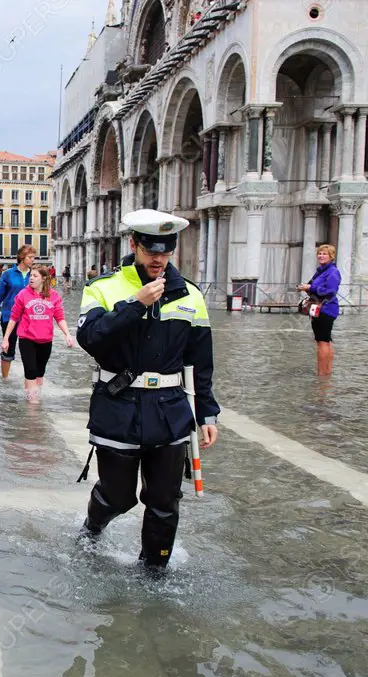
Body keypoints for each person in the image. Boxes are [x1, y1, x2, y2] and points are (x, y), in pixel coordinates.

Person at [76, 208, 219, 574]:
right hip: (118, 406)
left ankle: (154, 575)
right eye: (151, 249)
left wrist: (207, 413)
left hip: (170, 411)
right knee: (118, 497)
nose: (158, 258)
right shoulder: (103, 288)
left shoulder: (190, 295)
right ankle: (93, 526)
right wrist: (136, 304)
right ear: (134, 244)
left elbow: (200, 361)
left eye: (166, 251)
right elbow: (90, 338)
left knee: (164, 503)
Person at [0, 264, 74, 403]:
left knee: (40, 373)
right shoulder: (23, 294)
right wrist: (6, 339)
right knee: (30, 371)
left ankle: (35, 398)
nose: (31, 278)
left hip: (46, 340)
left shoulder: (54, 296)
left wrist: (67, 335)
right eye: (30, 275)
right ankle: (32, 408)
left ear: (44, 278)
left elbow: (59, 317)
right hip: (27, 339)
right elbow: (14, 318)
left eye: (35, 276)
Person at [0, 246, 36, 378]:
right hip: (9, 317)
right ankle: (5, 379)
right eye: (30, 257)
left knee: (29, 350)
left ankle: (30, 379)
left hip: (30, 319)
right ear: (21, 257)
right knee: (8, 348)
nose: (33, 260)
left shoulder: (35, 274)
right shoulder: (8, 274)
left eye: (33, 257)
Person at [298, 244, 341, 376]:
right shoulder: (321, 271)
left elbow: (331, 290)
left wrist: (310, 288)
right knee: (324, 341)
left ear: (331, 256)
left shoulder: (333, 271)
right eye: (320, 253)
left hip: (326, 309)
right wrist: (305, 287)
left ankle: (322, 374)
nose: (321, 256)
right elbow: (312, 284)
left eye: (325, 254)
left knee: (322, 342)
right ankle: (326, 372)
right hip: (319, 309)